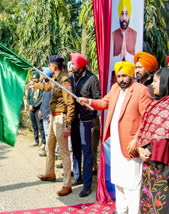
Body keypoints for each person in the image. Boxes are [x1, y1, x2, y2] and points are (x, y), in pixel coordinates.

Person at [78, 61, 153, 213]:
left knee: (132, 184)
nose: (121, 79)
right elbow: (103, 103)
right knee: (119, 180)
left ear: (131, 75)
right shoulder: (115, 88)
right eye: (118, 76)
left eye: (124, 76)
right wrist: (89, 101)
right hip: (116, 144)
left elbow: (148, 118)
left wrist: (137, 140)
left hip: (130, 145)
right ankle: (121, 209)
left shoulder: (141, 91)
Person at [26, 55, 75, 196]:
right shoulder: (55, 79)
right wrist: (34, 85)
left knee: (64, 152)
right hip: (53, 117)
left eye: (50, 65)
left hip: (61, 119)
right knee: (50, 146)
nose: (49, 67)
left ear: (54, 66)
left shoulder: (65, 81)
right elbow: (47, 86)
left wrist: (68, 124)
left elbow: (70, 103)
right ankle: (50, 173)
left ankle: (67, 184)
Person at [137, 68, 169, 214]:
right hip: (149, 163)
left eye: (156, 81)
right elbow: (145, 129)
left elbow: (164, 134)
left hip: (167, 164)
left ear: (166, 82)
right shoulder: (155, 104)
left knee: (164, 200)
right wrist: (141, 147)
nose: (152, 85)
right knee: (150, 198)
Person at [68, 53, 101, 197]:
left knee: (87, 152)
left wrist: (88, 104)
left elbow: (97, 99)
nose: (71, 66)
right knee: (75, 150)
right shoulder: (71, 78)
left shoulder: (92, 79)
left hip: (86, 122)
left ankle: (87, 184)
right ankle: (77, 176)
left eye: (73, 64)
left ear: (80, 66)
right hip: (74, 120)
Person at [26, 72, 46, 147]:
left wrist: (34, 106)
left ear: (38, 78)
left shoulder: (41, 87)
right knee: (34, 126)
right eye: (33, 78)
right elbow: (28, 97)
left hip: (38, 109)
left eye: (35, 78)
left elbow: (41, 99)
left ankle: (43, 142)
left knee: (40, 126)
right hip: (31, 110)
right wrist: (30, 105)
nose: (34, 80)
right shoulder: (31, 88)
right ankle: (36, 140)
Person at [38, 67, 52, 155]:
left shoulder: (52, 85)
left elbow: (55, 101)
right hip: (44, 113)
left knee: (51, 135)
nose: (41, 75)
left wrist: (51, 113)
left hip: (49, 115)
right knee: (47, 134)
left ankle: (54, 152)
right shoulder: (46, 85)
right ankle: (47, 150)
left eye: (43, 73)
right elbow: (43, 100)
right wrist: (40, 110)